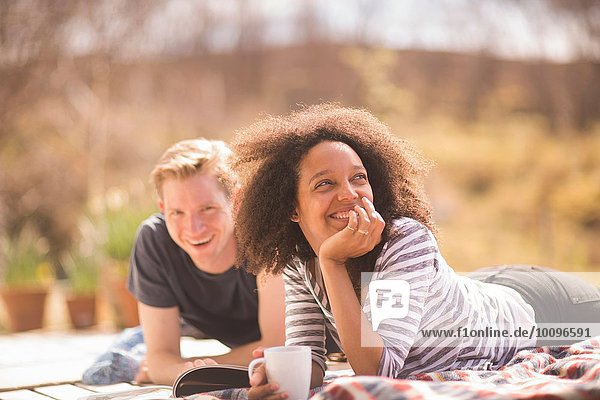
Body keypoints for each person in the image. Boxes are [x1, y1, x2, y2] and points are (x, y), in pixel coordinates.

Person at [229, 104, 600, 397]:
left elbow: (378, 371)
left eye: (359, 177)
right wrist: (273, 377)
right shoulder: (300, 263)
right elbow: (309, 355)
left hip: (542, 305)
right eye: (324, 183)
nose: (349, 193)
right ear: (292, 207)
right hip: (468, 292)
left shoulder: (402, 241)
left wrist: (332, 261)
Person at [84, 139, 285, 386]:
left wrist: (191, 368)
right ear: (162, 208)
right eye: (177, 212)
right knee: (106, 369)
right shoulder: (155, 240)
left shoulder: (265, 235)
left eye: (207, 208)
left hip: (325, 344)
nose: (194, 228)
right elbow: (159, 360)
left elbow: (277, 350)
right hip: (205, 329)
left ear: (237, 202)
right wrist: (172, 368)